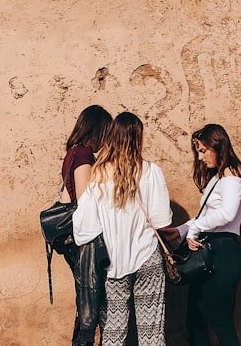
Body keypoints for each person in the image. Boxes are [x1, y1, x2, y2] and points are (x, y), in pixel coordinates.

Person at [73, 112, 171, 346]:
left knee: (114, 334)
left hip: (113, 264)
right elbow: (162, 221)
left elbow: (84, 227)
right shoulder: (151, 172)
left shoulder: (98, 175)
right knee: (151, 334)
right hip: (148, 258)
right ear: (139, 138)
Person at [174, 124, 241, 346]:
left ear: (218, 146)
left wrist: (195, 230)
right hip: (212, 253)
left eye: (203, 150)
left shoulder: (231, 175)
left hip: (224, 253)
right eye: (198, 151)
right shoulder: (218, 178)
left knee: (221, 323)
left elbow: (226, 214)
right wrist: (179, 232)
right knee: (196, 319)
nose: (200, 157)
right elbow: (206, 216)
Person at [59, 105, 112, 346]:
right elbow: (84, 200)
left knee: (87, 303)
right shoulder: (82, 155)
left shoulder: (73, 152)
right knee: (91, 303)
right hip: (82, 241)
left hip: (78, 240)